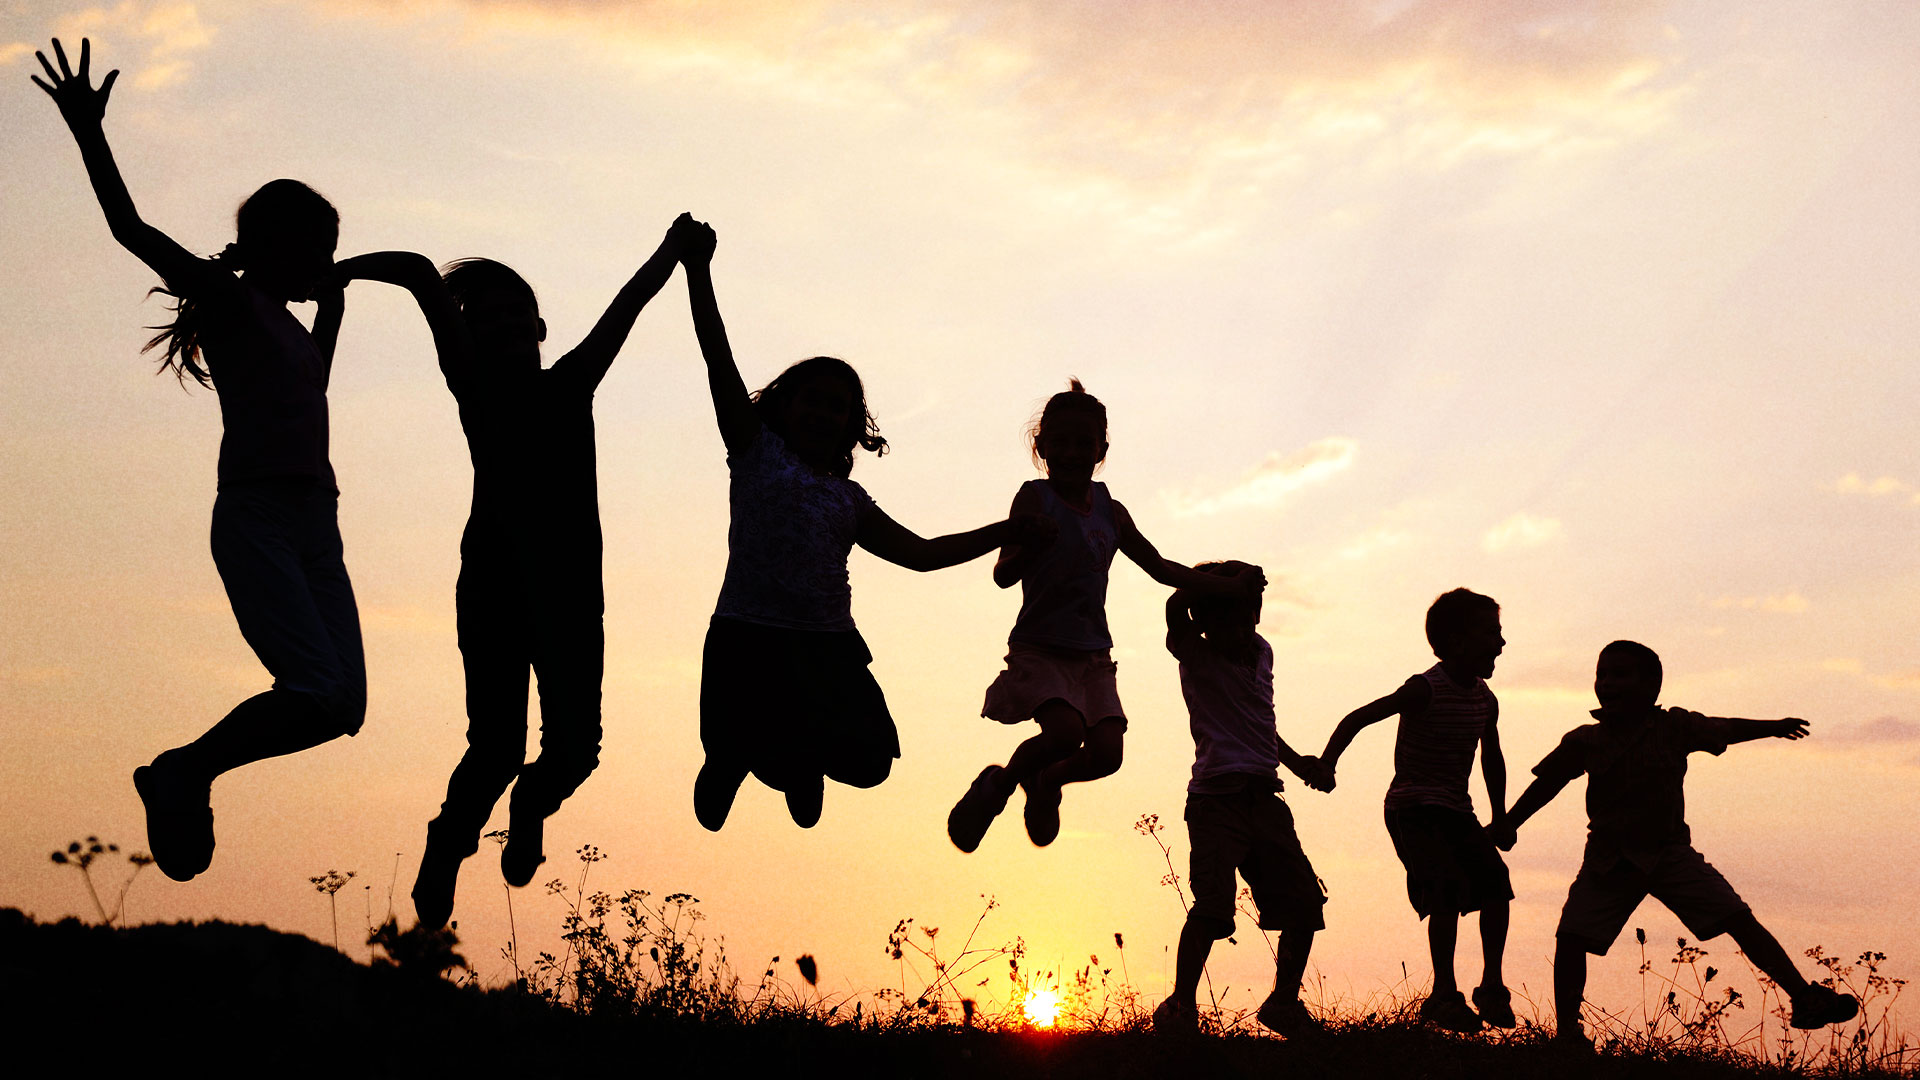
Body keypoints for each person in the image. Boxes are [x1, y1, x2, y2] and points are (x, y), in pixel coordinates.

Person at [35, 38, 367, 881]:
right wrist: (88, 133)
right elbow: (129, 229)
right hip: (256, 516)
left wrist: (334, 307)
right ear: (271, 247)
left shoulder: (294, 325)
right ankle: (184, 771)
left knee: (346, 707)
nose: (326, 263)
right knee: (313, 691)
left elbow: (312, 386)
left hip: (315, 522)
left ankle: (185, 770)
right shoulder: (228, 298)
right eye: (317, 249)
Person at [676, 216, 1051, 830]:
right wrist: (697, 271)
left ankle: (793, 756)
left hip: (825, 646)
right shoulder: (755, 453)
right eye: (813, 400)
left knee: (873, 761)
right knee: (728, 750)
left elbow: (924, 553)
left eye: (839, 405)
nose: (824, 413)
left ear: (854, 424)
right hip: (747, 635)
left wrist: (1006, 530)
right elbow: (717, 357)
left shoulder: (848, 499)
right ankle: (734, 758)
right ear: (783, 406)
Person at [947, 381, 1264, 853]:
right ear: (1041, 446)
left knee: (1107, 756)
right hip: (1042, 648)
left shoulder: (1111, 513)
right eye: (1061, 442)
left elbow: (1160, 568)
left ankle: (1046, 781)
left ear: (1102, 450)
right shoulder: (1034, 499)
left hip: (1093, 656)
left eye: (1084, 443)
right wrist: (1027, 544)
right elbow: (1002, 574)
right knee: (1064, 733)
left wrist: (1227, 586)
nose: (1073, 453)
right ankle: (1002, 783)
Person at [1495, 639, 1860, 1050]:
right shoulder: (1586, 740)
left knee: (1739, 920)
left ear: (1652, 685)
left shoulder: (1675, 727)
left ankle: (1805, 997)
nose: (1606, 682)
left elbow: (1727, 727)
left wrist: (1772, 727)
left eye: (1620, 674)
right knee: (1573, 938)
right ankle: (1567, 1035)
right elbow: (1548, 783)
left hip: (1670, 853)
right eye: (1602, 674)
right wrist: (1509, 822)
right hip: (1609, 859)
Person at [1314, 588, 1513, 1031]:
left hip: (1457, 811)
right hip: (1413, 808)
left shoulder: (1485, 700)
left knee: (1496, 884)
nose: (1500, 643)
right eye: (1491, 633)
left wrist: (1499, 817)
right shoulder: (1425, 688)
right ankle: (1444, 993)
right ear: (1457, 642)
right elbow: (1359, 717)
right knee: (1443, 888)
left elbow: (1491, 757)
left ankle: (1492, 986)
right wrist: (1329, 762)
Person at [1151, 563, 1330, 1036]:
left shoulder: (1263, 652)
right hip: (1217, 801)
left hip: (1264, 799)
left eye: (1245, 616)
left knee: (1305, 904)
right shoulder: (1195, 653)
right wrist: (1229, 581)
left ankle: (1283, 1002)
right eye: (1223, 621)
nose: (1237, 630)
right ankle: (1181, 1006)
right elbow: (1173, 605)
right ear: (1204, 622)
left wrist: (1298, 764)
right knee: (1212, 911)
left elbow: (1260, 724)